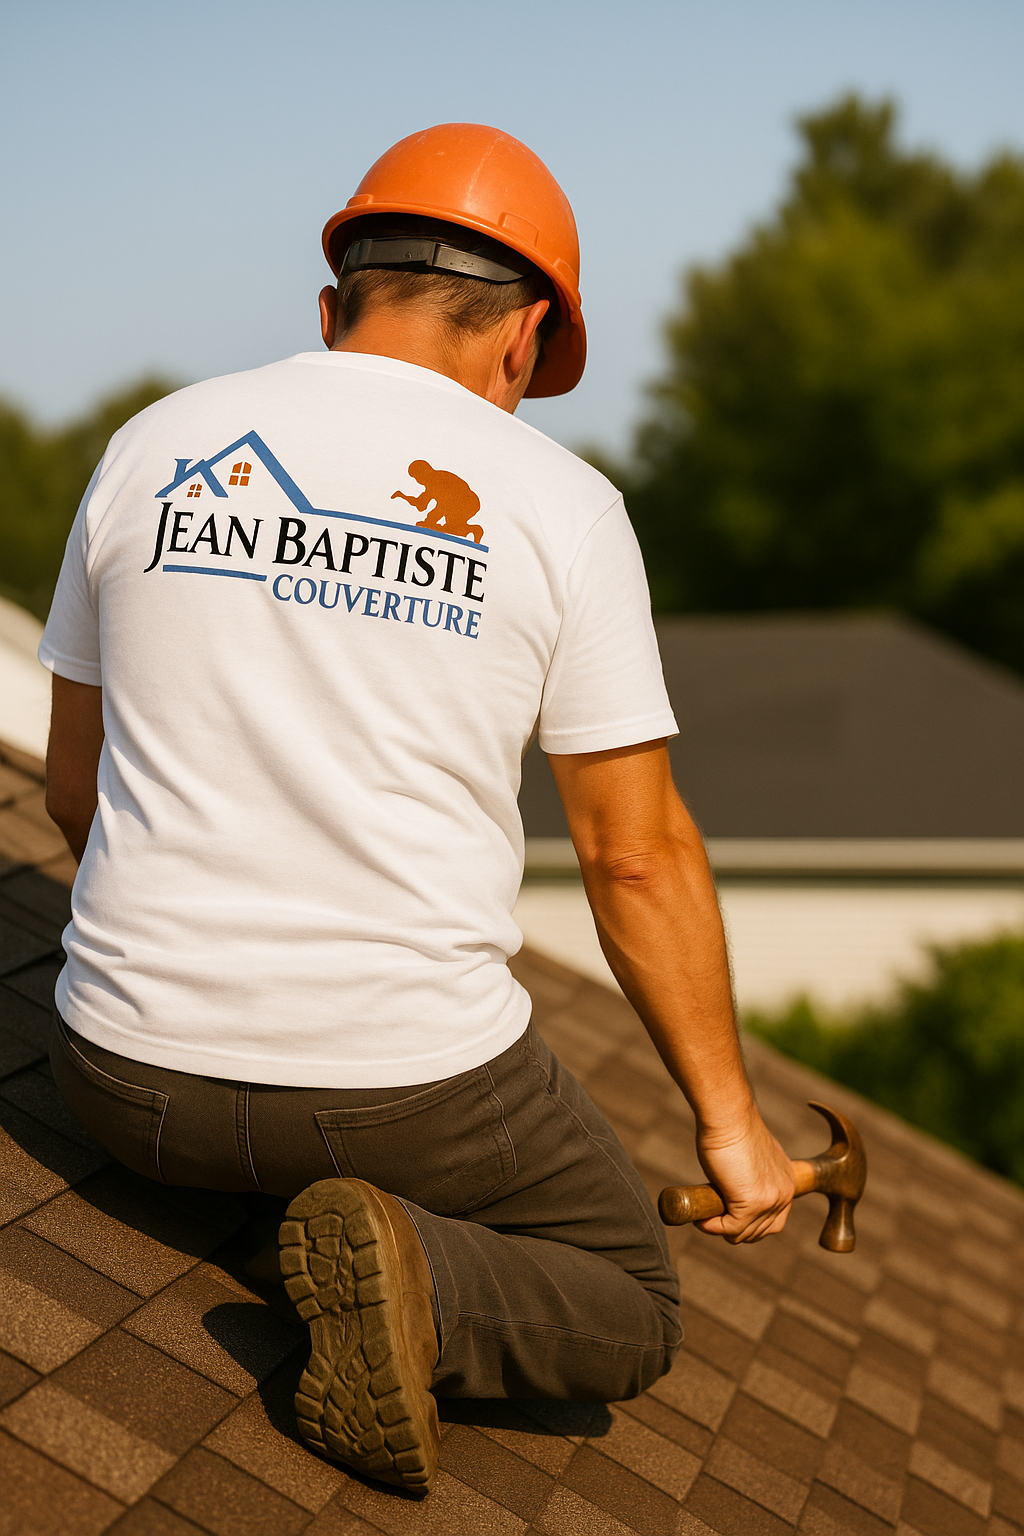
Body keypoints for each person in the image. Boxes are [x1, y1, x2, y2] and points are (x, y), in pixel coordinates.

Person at [41, 123, 796, 1497]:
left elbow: (72, 788)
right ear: (525, 346)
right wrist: (732, 1127)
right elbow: (634, 858)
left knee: (218, 1116)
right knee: (633, 1296)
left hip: (120, 1081)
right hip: (399, 1095)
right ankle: (419, 1279)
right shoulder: (564, 511)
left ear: (332, 309)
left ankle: (302, 1212)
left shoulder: (153, 442)